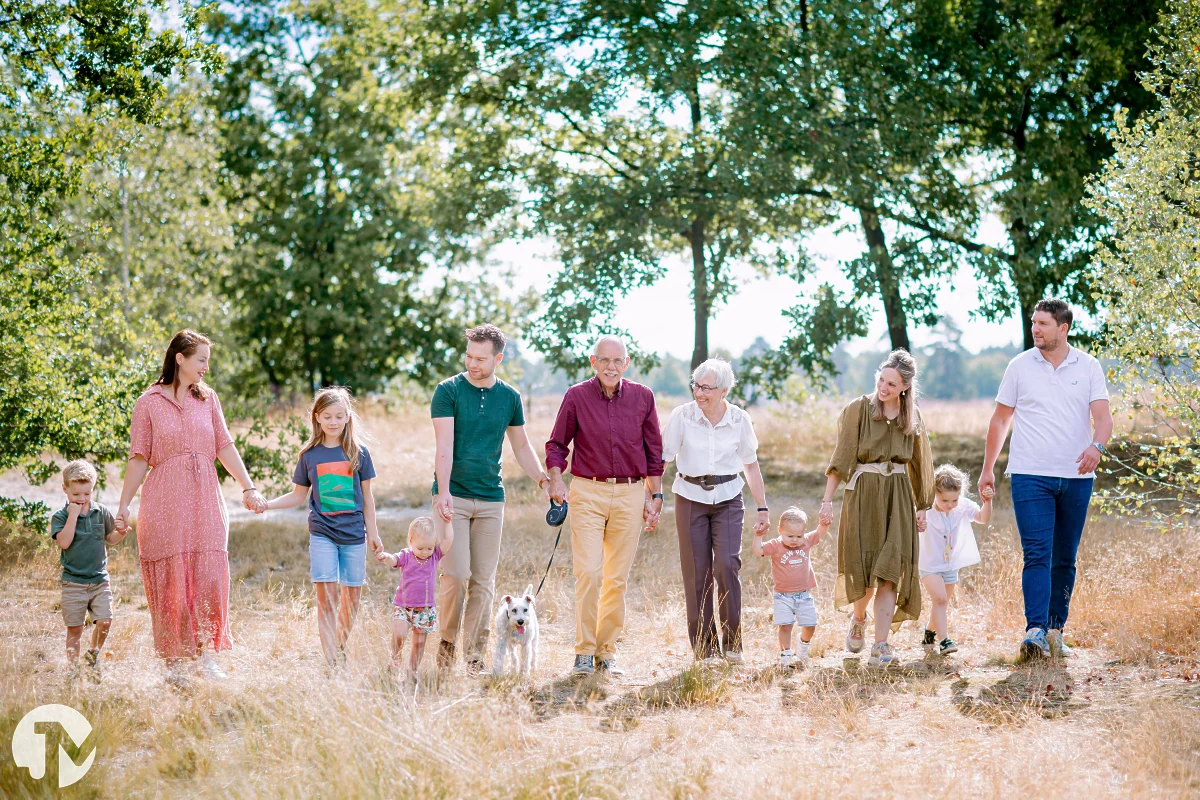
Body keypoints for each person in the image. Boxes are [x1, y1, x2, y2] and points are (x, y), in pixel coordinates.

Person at [115, 330, 267, 687]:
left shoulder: (208, 399)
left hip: (205, 500)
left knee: (208, 576)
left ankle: (206, 655)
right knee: (172, 583)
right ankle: (173, 661)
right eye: (201, 360)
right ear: (180, 358)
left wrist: (248, 486)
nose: (206, 368)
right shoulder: (148, 402)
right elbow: (138, 458)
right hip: (164, 501)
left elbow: (224, 446)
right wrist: (123, 505)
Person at [980, 298, 1112, 660]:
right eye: (1034, 323)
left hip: (1076, 477)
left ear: (1063, 328)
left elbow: (1103, 418)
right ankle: (1034, 630)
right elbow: (1000, 421)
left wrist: (1096, 447)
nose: (1036, 329)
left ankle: (1055, 631)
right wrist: (988, 466)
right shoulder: (1020, 366)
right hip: (1029, 474)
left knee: (1065, 558)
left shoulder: (1088, 366)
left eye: (1043, 324)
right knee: (1037, 553)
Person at [431, 324, 551, 674]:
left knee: (484, 580)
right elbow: (444, 446)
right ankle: (448, 642)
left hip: (491, 498)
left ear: (498, 358)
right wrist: (443, 492)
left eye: (481, 358)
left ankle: (474, 654)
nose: (472, 363)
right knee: (455, 574)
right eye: (468, 355)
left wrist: (543, 479)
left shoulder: (510, 397)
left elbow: (521, 446)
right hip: (453, 494)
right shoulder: (448, 391)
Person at [546, 334, 664, 677]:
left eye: (618, 361)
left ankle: (606, 653)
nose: (611, 367)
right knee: (590, 573)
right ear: (593, 362)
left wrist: (655, 496)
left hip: (630, 493)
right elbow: (557, 444)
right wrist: (555, 478)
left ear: (626, 364)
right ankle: (583, 651)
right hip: (587, 491)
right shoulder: (576, 396)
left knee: (616, 579)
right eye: (604, 360)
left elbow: (653, 453)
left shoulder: (644, 397)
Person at [819, 348, 934, 668]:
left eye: (892, 384)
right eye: (882, 380)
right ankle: (858, 618)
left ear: (905, 388)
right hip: (863, 494)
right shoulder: (858, 409)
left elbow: (921, 461)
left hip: (897, 497)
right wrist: (827, 500)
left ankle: (881, 644)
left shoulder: (913, 417)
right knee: (864, 569)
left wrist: (923, 504)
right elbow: (841, 458)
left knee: (890, 572)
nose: (884, 388)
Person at [661, 358, 769, 665]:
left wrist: (762, 507)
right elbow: (663, 457)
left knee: (726, 565)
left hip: (728, 497)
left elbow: (750, 465)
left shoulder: (738, 419)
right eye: (696, 385)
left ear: (723, 390)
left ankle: (733, 642)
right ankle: (705, 649)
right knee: (697, 572)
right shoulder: (682, 416)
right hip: (690, 497)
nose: (699, 392)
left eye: (707, 387)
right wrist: (652, 495)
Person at [264, 387, 382, 666]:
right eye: (327, 416)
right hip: (323, 534)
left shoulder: (359, 452)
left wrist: (373, 533)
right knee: (327, 598)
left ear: (347, 417)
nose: (333, 421)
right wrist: (266, 504)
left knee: (351, 599)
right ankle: (330, 660)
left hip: (354, 535)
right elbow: (297, 495)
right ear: (317, 418)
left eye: (339, 416)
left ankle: (339, 646)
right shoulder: (309, 455)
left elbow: (367, 497)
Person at [50, 460, 127, 682]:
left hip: (99, 580)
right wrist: (73, 515)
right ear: (65, 489)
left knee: (105, 621)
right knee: (75, 628)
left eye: (87, 493)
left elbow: (110, 539)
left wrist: (121, 533)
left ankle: (92, 656)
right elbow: (64, 542)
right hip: (73, 582)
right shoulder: (60, 517)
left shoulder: (101, 511)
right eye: (76, 494)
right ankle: (72, 669)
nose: (82, 499)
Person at [919, 464, 993, 656]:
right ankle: (945, 641)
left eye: (954, 499)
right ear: (933, 492)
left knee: (941, 603)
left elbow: (983, 519)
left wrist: (987, 502)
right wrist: (919, 522)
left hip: (951, 564)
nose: (950, 504)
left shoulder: (962, 506)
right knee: (940, 599)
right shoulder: (924, 509)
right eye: (944, 500)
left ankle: (929, 633)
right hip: (929, 563)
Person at [752, 507, 828, 669]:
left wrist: (824, 522)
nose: (795, 540)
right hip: (783, 596)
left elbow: (820, 532)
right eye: (790, 536)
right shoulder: (776, 545)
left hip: (804, 595)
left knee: (810, 625)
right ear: (780, 531)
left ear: (804, 533)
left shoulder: (806, 541)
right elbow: (758, 550)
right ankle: (786, 655)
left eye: (799, 536)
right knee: (785, 625)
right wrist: (758, 536)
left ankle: (803, 646)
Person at [377, 516, 452, 680]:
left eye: (429, 548)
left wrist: (447, 523)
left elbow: (448, 540)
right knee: (400, 633)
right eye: (420, 548)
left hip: (425, 608)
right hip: (403, 606)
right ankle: (395, 658)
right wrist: (385, 557)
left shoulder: (434, 556)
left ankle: (412, 670)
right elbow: (394, 560)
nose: (425, 552)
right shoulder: (406, 555)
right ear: (410, 542)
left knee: (419, 643)